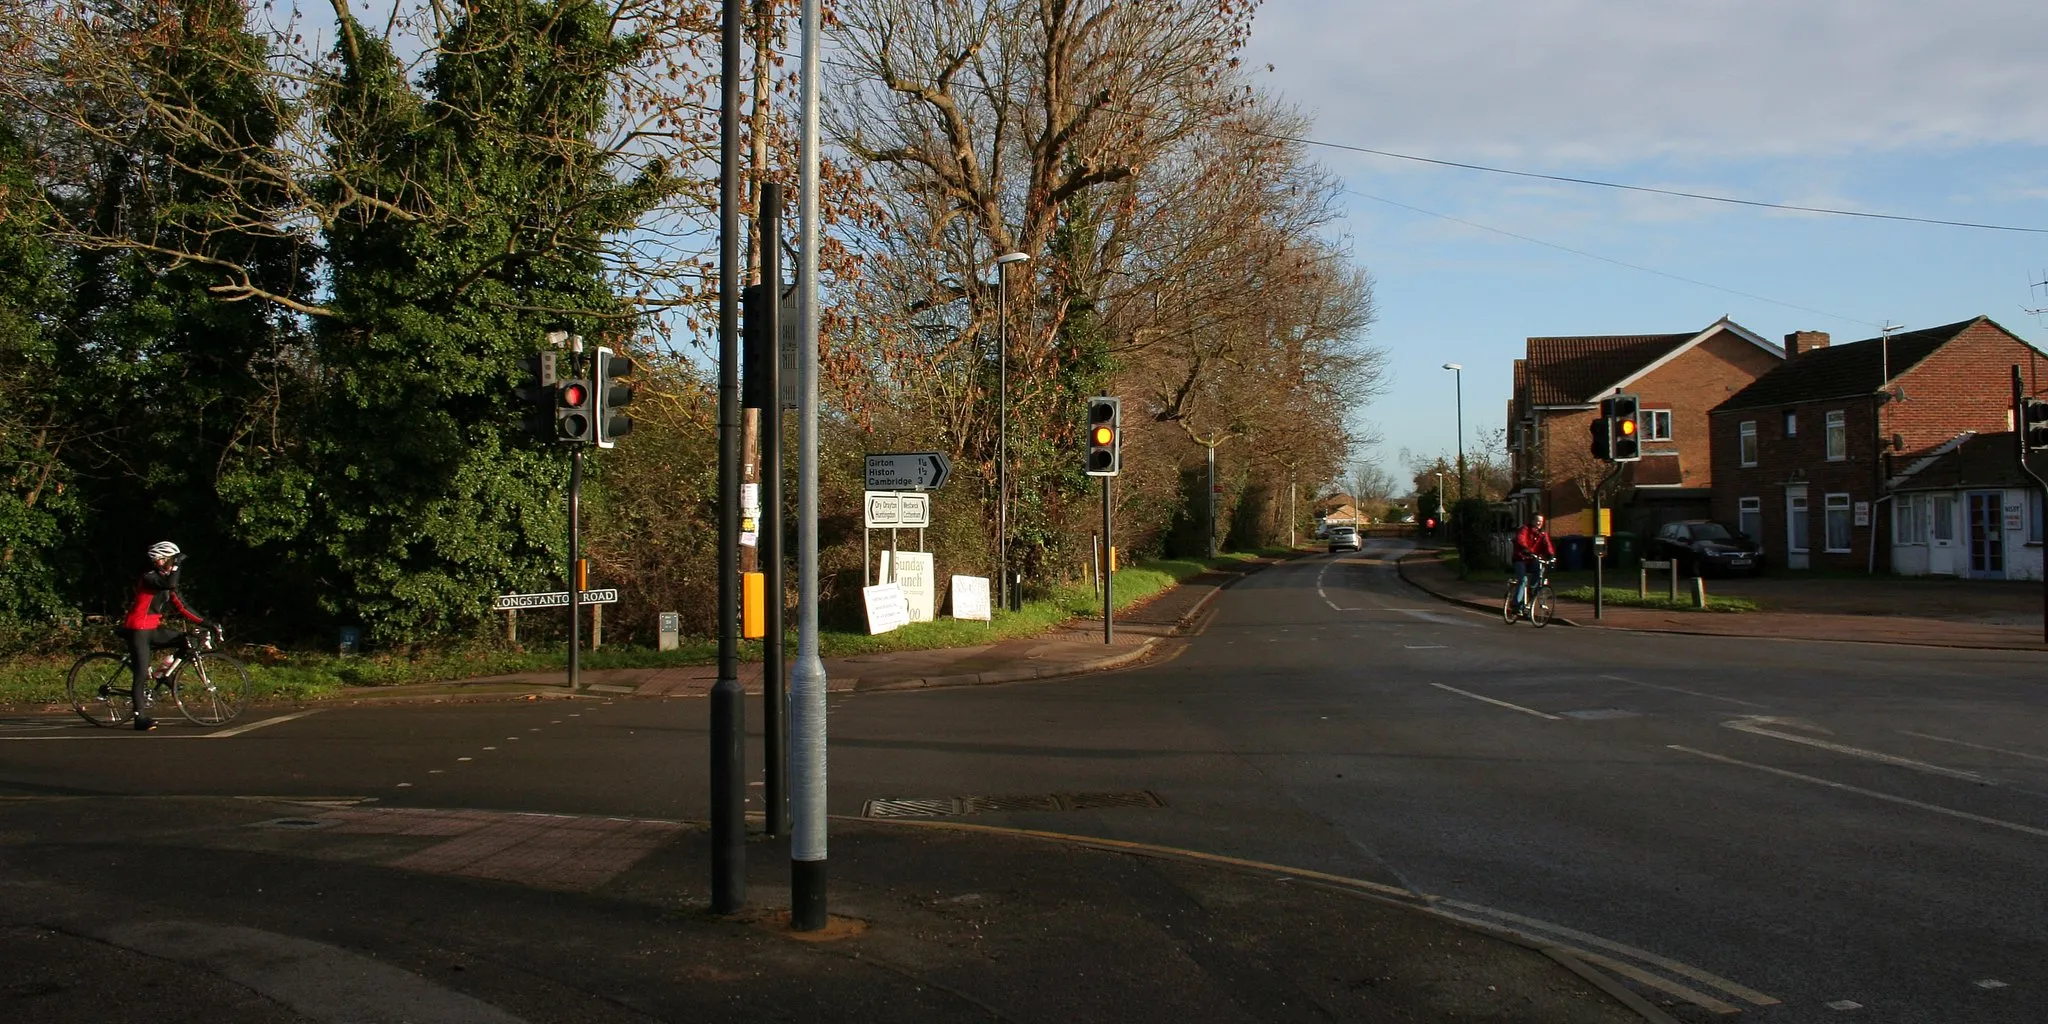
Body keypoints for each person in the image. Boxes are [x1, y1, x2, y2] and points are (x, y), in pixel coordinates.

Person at [117, 541, 209, 731]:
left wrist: (209, 624)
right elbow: (170, 583)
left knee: (188, 641)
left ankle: (162, 673)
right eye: (170, 560)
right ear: (160, 560)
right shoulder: (149, 577)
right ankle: (139, 718)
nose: (173, 564)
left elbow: (183, 607)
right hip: (138, 629)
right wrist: (178, 564)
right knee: (141, 674)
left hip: (152, 628)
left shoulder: (165, 580)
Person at [1510, 514, 1557, 614]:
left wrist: (1551, 556)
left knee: (1539, 573)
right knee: (1523, 580)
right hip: (1521, 558)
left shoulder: (1543, 534)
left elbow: (1548, 545)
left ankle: (1532, 590)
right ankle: (1516, 605)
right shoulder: (1525, 529)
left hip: (1533, 559)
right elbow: (1520, 539)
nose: (1539, 523)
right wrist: (1526, 549)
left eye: (1541, 521)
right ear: (1532, 521)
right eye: (1537, 520)